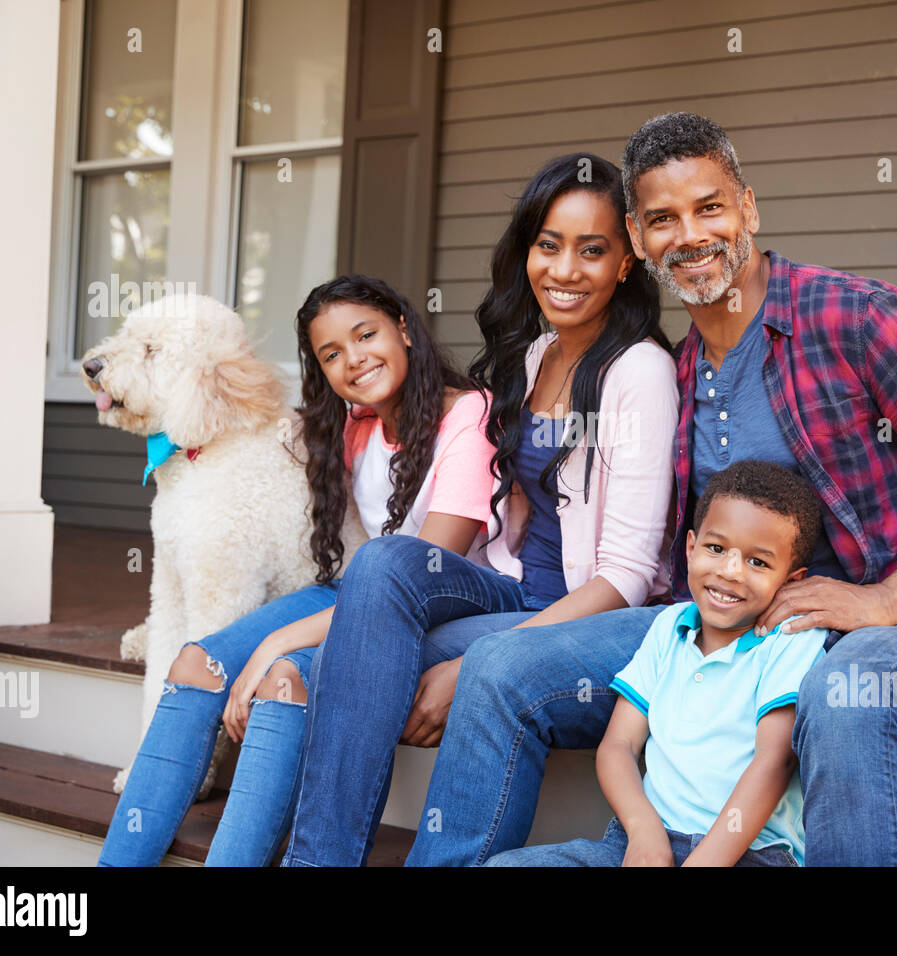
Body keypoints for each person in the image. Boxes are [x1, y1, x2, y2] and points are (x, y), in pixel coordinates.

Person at [407, 112, 897, 867]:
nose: (689, 235)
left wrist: (888, 597)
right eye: (662, 218)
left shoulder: (851, 318)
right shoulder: (674, 372)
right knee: (501, 668)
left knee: (844, 697)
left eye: (709, 207)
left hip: (893, 644)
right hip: (724, 634)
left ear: (747, 208)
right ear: (639, 235)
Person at [281, 154, 678, 866]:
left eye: (593, 250)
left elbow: (626, 575)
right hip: (515, 592)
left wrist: (487, 654)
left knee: (388, 667)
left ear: (626, 263)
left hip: (595, 619)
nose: (565, 269)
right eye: (548, 245)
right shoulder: (536, 356)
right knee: (383, 567)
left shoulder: (639, 372)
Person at [98, 274, 495, 866]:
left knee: (285, 672)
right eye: (332, 354)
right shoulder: (351, 424)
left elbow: (421, 571)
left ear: (405, 330)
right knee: (197, 661)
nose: (354, 360)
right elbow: (249, 431)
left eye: (366, 336)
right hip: (360, 593)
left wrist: (272, 645)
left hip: (444, 601)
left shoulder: (468, 416)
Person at [486, 460, 828, 867]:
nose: (730, 572)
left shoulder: (791, 639)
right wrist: (644, 830)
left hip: (748, 854)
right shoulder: (669, 628)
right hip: (646, 843)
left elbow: (775, 760)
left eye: (758, 562)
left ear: (791, 581)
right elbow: (618, 745)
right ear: (690, 548)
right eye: (716, 549)